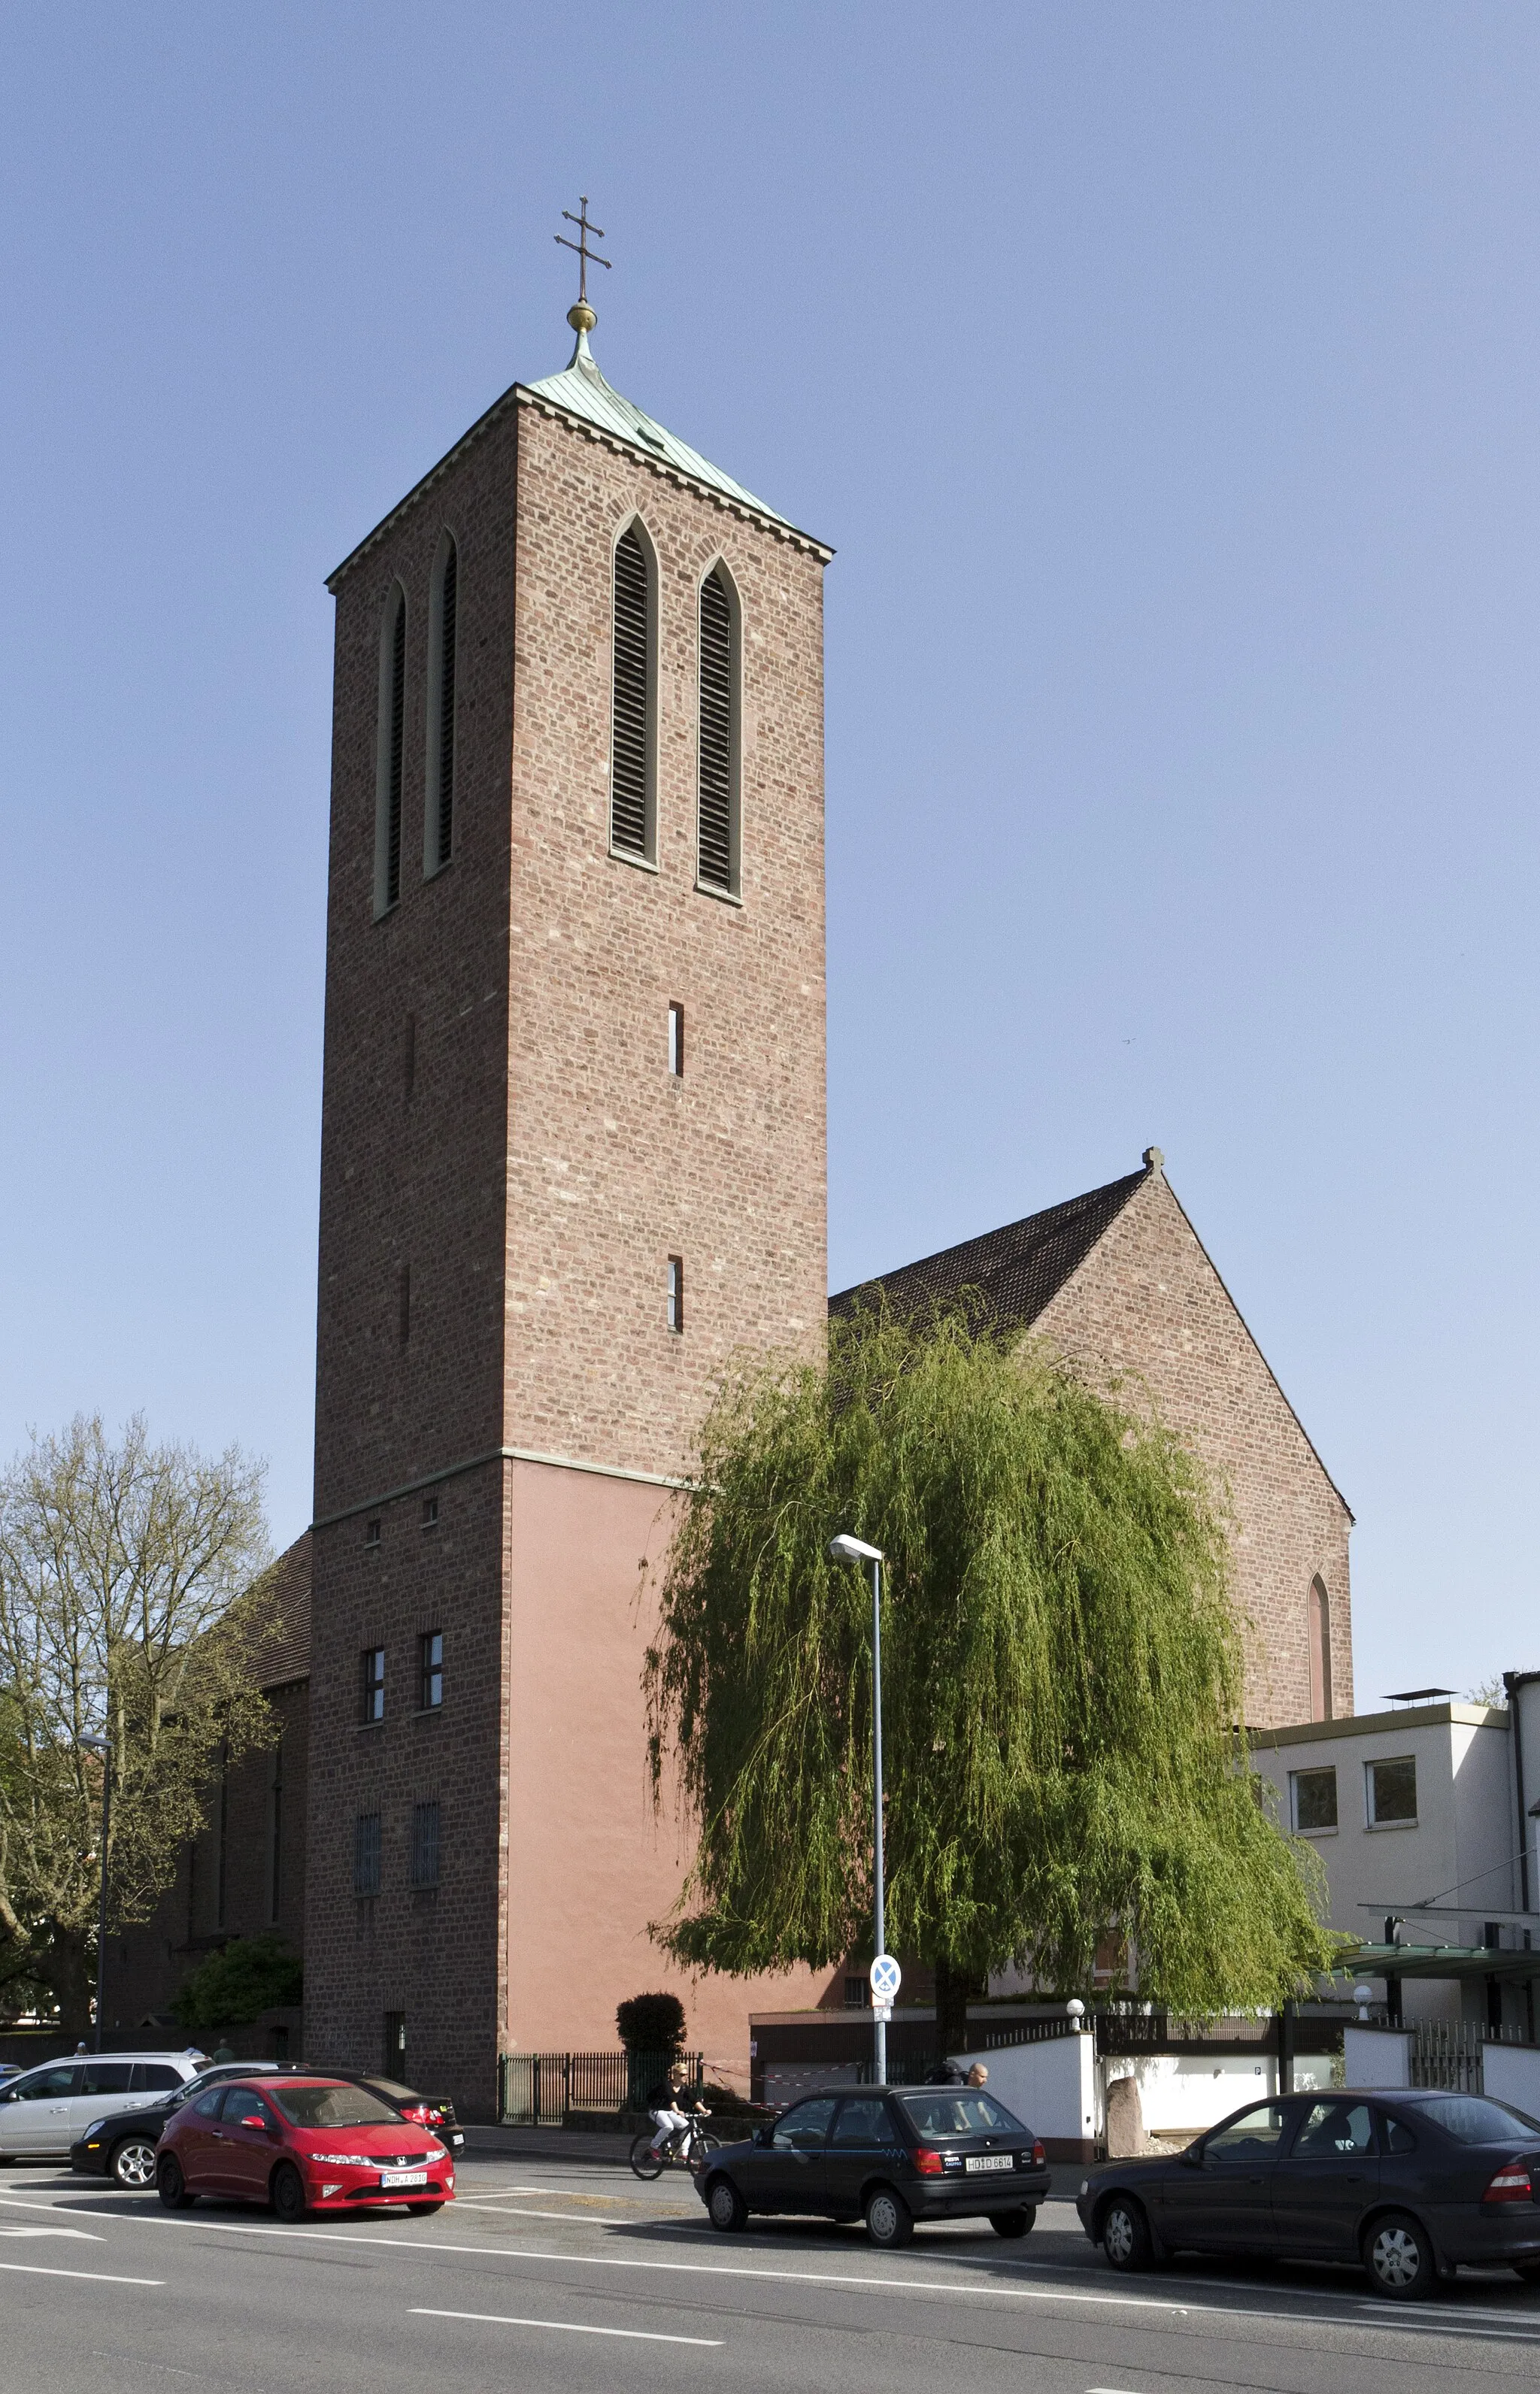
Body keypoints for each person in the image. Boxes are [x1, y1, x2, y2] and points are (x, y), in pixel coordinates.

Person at [645, 2059, 707, 2157]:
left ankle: (684, 2154)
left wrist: (704, 2110)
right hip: (657, 2110)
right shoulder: (667, 2085)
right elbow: (671, 2098)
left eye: (687, 2074)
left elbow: (693, 2100)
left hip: (669, 2112)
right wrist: (677, 2111)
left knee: (686, 2127)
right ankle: (653, 2148)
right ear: (676, 2075)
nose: (685, 2077)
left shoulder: (684, 2087)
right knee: (668, 2126)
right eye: (683, 2075)